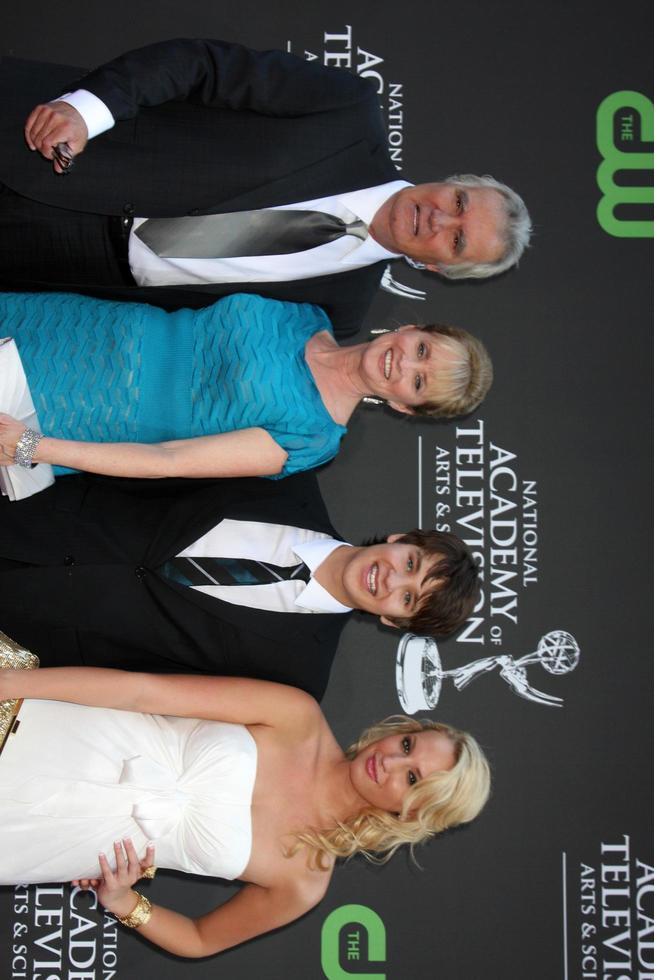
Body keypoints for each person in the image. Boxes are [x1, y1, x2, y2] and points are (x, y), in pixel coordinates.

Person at [0, 38, 532, 337]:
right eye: (458, 203)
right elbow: (201, 66)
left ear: (438, 267)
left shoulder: (337, 315)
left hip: (59, 278)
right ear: (450, 181)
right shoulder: (347, 112)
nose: (441, 218)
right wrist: (87, 111)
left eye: (457, 239)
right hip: (52, 151)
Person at [0, 640, 491, 956]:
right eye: (407, 746)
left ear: (410, 814)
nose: (390, 762)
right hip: (42, 729)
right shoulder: (296, 717)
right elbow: (143, 691)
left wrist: (124, 901)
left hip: (41, 838)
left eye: (411, 780)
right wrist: (15, 683)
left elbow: (199, 940)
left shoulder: (303, 880)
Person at [0, 471, 479, 699]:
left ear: (393, 619)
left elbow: (157, 694)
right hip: (35, 512)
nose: (391, 577)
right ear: (400, 540)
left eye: (407, 596)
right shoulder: (291, 483)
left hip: (36, 634)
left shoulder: (297, 675)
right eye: (410, 561)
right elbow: (156, 462)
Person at [0, 290, 492, 480]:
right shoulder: (309, 312)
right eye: (422, 349)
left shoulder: (313, 437)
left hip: (80, 413)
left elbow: (169, 461)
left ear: (405, 408)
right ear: (410, 330)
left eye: (419, 383)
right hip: (74, 325)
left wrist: (34, 446)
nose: (404, 364)